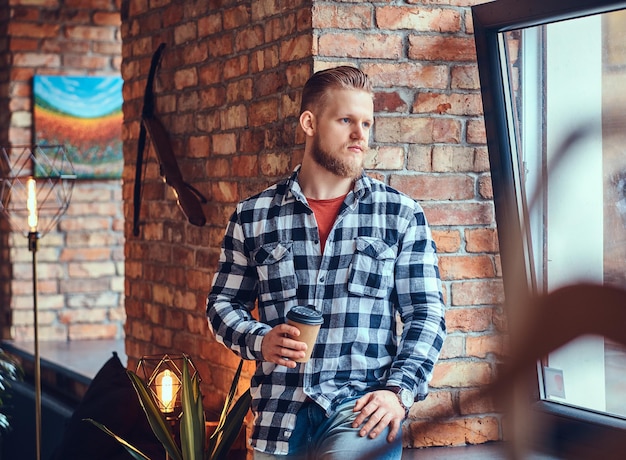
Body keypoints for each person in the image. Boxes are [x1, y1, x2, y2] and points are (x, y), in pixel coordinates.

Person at [206, 66, 446, 460]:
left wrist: (398, 393)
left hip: (362, 412)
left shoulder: (400, 215)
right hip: (279, 416)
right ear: (309, 122)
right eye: (347, 120)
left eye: (367, 123)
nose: (360, 135)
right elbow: (221, 305)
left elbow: (427, 314)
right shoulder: (253, 216)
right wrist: (260, 339)